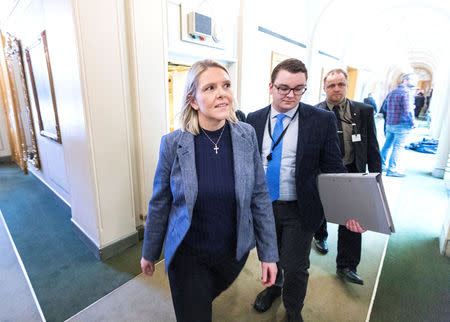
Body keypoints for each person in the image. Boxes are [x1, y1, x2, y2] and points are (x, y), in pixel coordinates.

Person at [140, 59, 278, 322]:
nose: (222, 93)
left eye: (226, 85)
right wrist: (150, 250)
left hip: (231, 255)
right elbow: (161, 202)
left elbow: (259, 196)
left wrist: (268, 254)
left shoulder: (245, 135)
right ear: (193, 100)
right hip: (188, 255)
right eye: (210, 88)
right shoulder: (173, 144)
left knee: (201, 302)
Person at [247, 58, 346, 322]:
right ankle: (274, 288)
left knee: (297, 266)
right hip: (263, 207)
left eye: (298, 88)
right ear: (271, 86)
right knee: (271, 256)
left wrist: (351, 208)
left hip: (300, 207)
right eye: (283, 88)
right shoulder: (254, 120)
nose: (291, 95)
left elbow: (335, 168)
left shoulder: (321, 120)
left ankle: (293, 310)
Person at [313, 69, 381, 285]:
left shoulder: (363, 111)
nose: (336, 89)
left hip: (352, 170)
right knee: (319, 209)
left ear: (346, 85)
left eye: (340, 84)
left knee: (352, 217)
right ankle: (320, 236)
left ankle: (347, 265)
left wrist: (376, 177)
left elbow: (372, 145)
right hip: (323, 173)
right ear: (324, 88)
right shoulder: (313, 113)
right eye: (331, 85)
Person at [380, 73, 416, 177]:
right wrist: (413, 123)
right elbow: (408, 110)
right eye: (413, 79)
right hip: (402, 125)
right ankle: (392, 170)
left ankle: (381, 166)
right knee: (398, 147)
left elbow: (385, 108)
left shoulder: (392, 92)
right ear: (406, 80)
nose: (414, 82)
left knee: (387, 145)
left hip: (390, 124)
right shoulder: (407, 93)